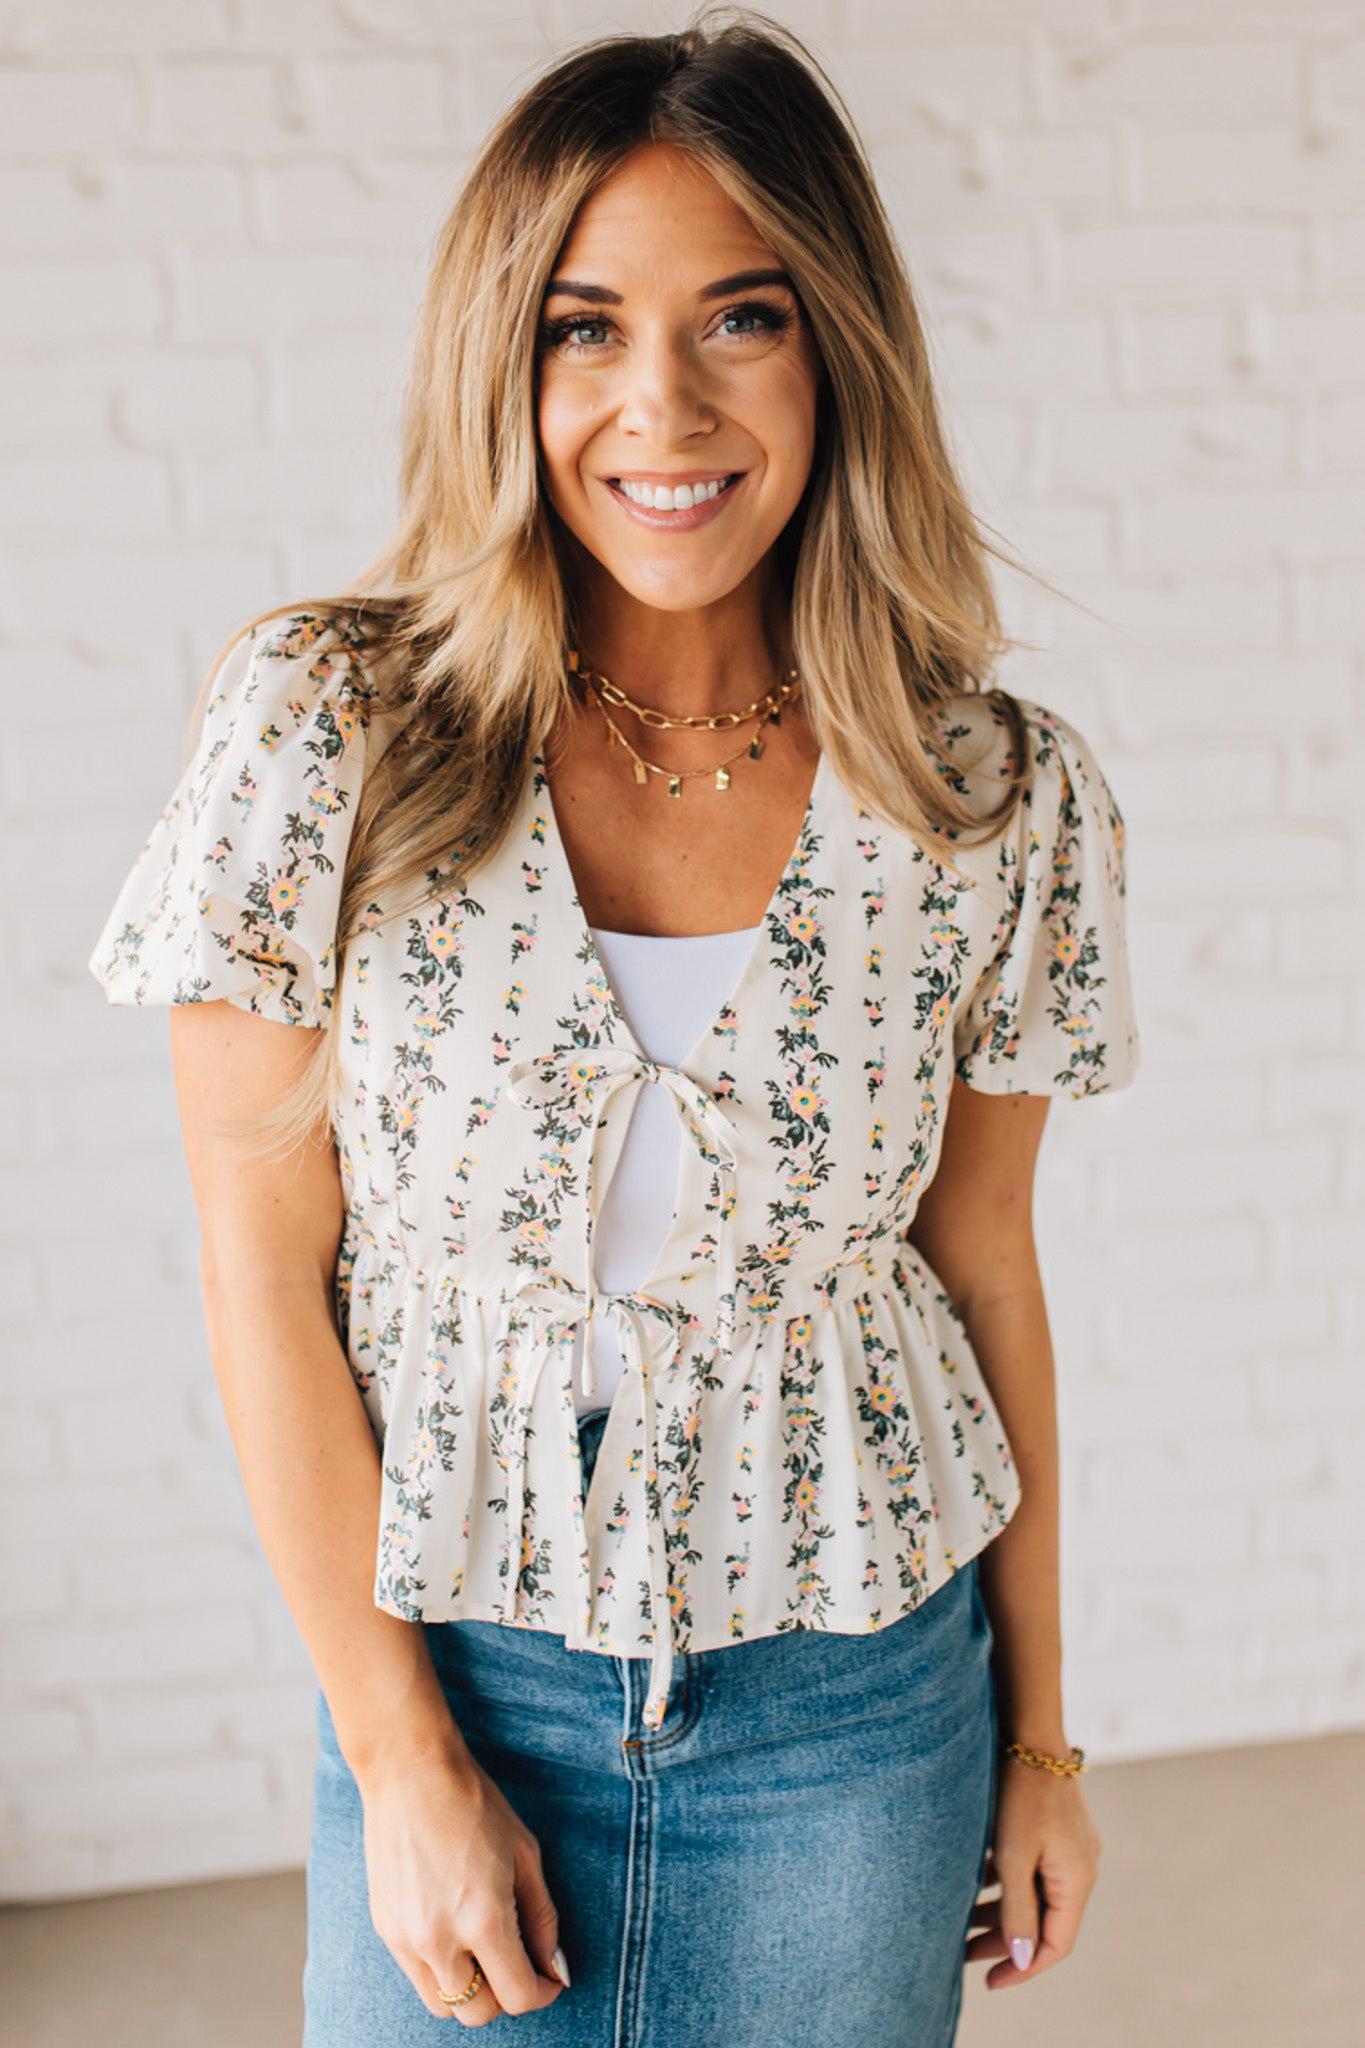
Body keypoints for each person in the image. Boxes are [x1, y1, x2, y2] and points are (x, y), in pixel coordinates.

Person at [88, 11, 1140, 2043]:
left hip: (856, 1694)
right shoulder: (330, 732)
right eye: (581, 326)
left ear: (835, 346)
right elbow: (261, 1264)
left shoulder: (989, 795)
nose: (659, 401)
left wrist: (1045, 1742)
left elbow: (978, 1261)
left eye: (738, 318)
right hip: (465, 1667)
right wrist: (397, 1756)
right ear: (505, 359)